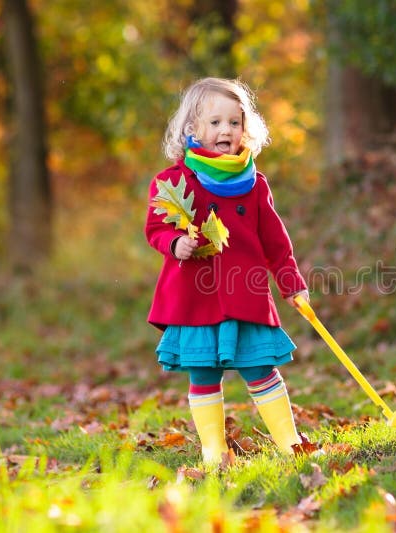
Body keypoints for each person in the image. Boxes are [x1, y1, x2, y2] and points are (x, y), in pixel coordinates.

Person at [144, 77, 309, 467]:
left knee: (259, 367)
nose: (225, 131)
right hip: (195, 296)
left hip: (244, 293)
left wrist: (291, 284)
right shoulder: (172, 182)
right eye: (215, 122)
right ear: (192, 129)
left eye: (234, 123)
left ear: (245, 130)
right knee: (202, 373)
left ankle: (290, 443)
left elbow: (275, 242)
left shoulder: (253, 184)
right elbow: (155, 228)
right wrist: (174, 243)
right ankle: (213, 451)